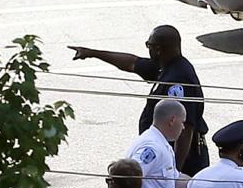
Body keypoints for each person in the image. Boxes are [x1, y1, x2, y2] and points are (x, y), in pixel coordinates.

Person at [69, 25, 209, 175]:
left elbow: (186, 128)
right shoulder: (167, 66)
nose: (147, 49)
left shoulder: (178, 79)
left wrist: (174, 172)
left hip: (185, 160)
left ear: (158, 49)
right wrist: (92, 53)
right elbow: (132, 63)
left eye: (149, 45)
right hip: (165, 156)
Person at [127, 98, 188, 188]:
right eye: (182, 122)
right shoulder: (153, 147)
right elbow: (128, 176)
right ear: (172, 120)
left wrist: (204, 185)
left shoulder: (161, 144)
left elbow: (174, 178)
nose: (183, 127)